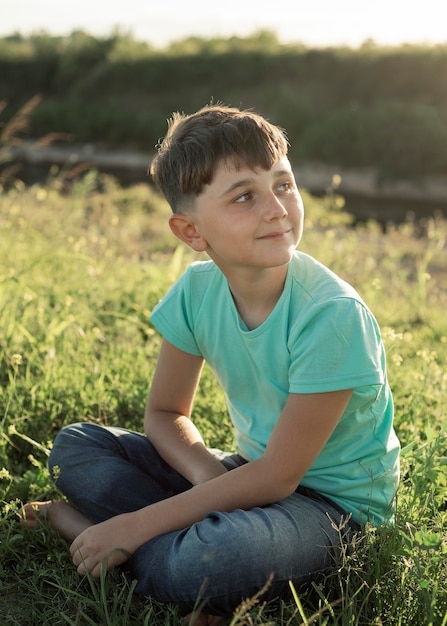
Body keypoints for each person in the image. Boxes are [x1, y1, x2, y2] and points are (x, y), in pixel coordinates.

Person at [21, 104, 400, 624]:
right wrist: (205, 473)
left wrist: (134, 525)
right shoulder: (197, 292)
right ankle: (164, 550)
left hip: (333, 511)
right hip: (245, 473)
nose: (276, 208)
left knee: (214, 558)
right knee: (77, 447)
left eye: (284, 184)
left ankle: (91, 531)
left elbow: (278, 479)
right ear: (191, 232)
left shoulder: (331, 315)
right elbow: (164, 413)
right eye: (245, 196)